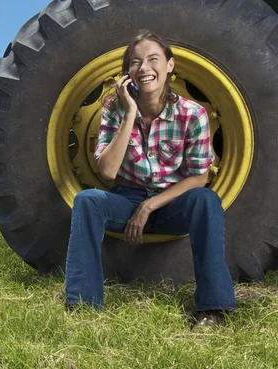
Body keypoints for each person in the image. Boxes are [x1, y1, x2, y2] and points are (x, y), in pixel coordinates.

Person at [64, 30, 236, 326]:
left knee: (206, 200)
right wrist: (129, 111)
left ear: (169, 65)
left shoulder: (192, 114)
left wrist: (149, 206)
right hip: (125, 200)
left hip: (172, 203)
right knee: (86, 201)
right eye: (135, 62)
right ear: (126, 73)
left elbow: (199, 177)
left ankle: (212, 309)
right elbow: (107, 171)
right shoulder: (114, 110)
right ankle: (83, 306)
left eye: (153, 59)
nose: (144, 68)